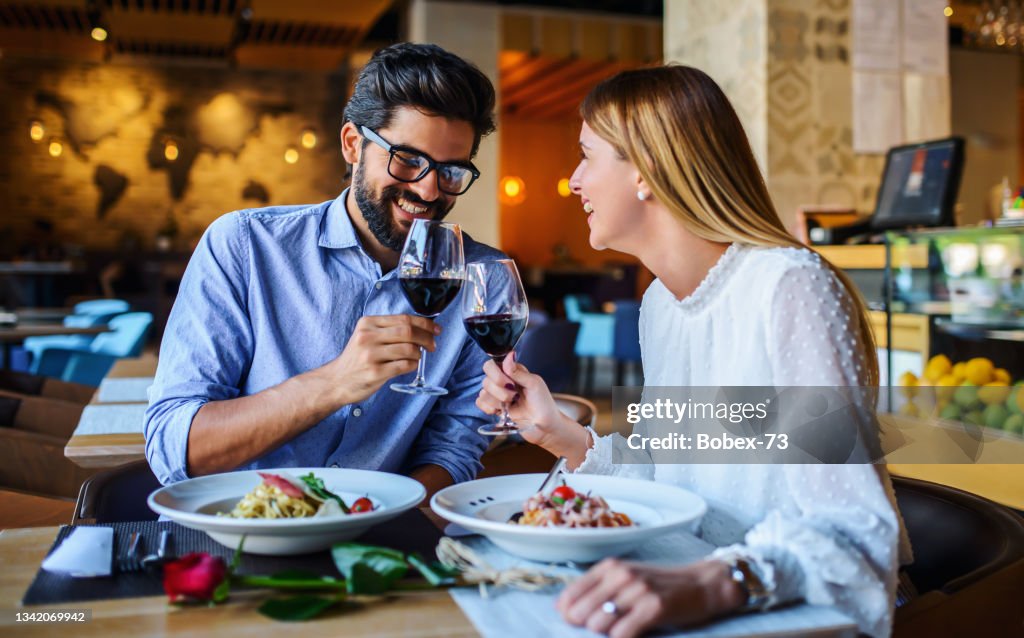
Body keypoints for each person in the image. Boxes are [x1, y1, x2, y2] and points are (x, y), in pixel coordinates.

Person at [477, 66, 910, 638]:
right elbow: (673, 484)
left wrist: (712, 581)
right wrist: (559, 431)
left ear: (647, 170)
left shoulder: (789, 287)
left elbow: (856, 531)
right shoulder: (660, 305)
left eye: (587, 155)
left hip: (800, 616)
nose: (575, 180)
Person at [145, 43, 503, 499]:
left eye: (451, 170)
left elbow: (453, 453)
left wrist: (375, 524)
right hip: (236, 535)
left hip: (383, 545)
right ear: (353, 145)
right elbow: (174, 450)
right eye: (408, 160)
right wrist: (334, 382)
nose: (429, 189)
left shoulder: (481, 278)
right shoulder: (244, 245)